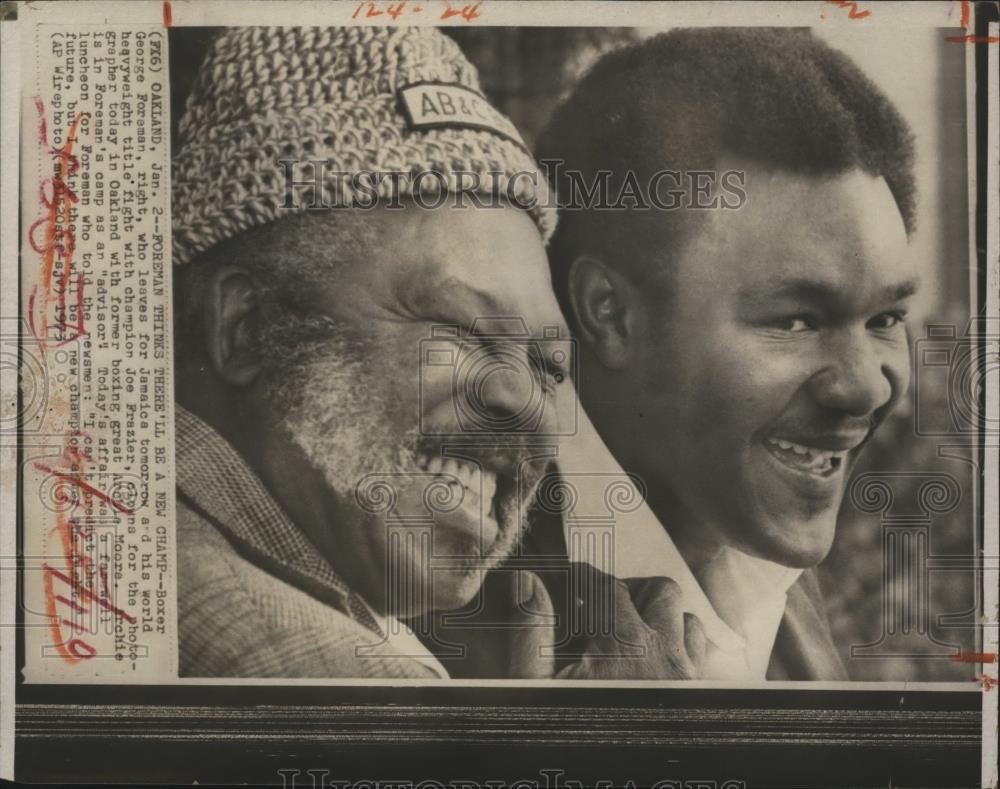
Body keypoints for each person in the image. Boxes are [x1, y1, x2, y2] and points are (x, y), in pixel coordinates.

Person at [171, 26, 703, 679]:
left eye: (548, 366)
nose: (523, 404)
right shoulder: (323, 671)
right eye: (461, 328)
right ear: (247, 328)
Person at [535, 28, 920, 680]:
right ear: (610, 314)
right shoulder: (451, 598)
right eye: (796, 320)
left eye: (885, 317)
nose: (865, 388)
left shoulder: (751, 535)